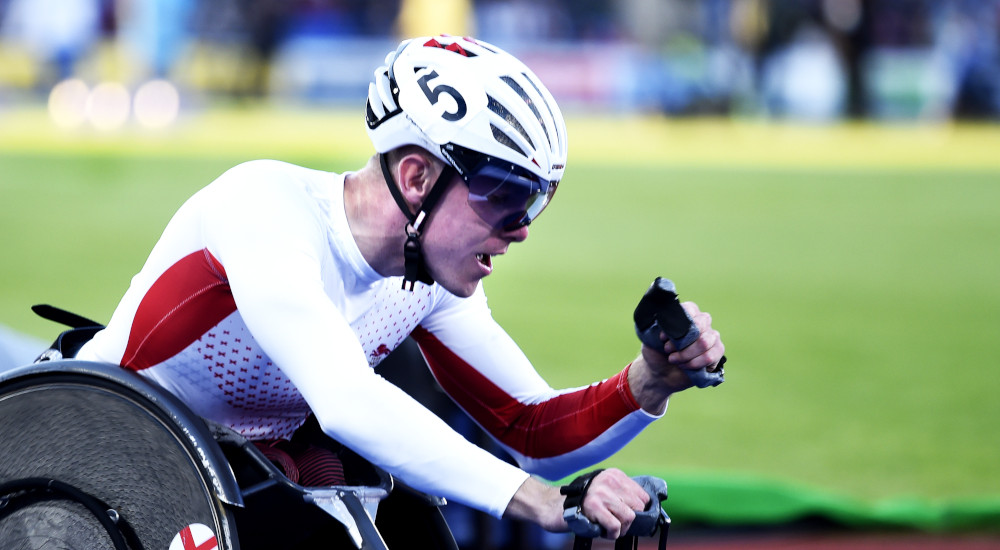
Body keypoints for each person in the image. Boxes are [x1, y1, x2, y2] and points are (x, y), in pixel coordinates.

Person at [76, 35, 726, 541]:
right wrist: (540, 501)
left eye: (535, 204)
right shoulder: (263, 206)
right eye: (506, 197)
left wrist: (650, 382)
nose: (522, 231)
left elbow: (531, 432)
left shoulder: (427, 282)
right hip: (83, 459)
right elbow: (347, 403)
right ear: (416, 177)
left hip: (226, 477)